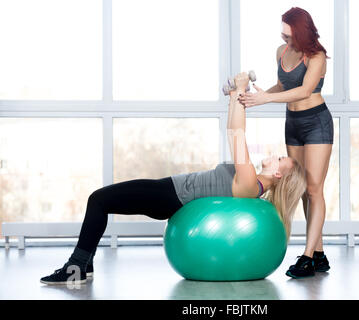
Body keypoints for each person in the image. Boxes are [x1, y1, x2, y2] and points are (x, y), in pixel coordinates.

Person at [40, 72, 307, 285]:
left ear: (277, 174)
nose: (275, 155)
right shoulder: (251, 185)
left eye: (280, 158)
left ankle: (75, 268)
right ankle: (84, 265)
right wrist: (235, 95)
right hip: (168, 192)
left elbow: (236, 133)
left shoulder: (250, 183)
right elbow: (232, 128)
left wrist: (239, 91)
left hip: (169, 196)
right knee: (100, 201)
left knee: (98, 200)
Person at [238, 7, 333, 278]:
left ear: (302, 34)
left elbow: (304, 90)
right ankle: (319, 254)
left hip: (317, 123)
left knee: (314, 189)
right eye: (283, 35)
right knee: (303, 188)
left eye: (290, 37)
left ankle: (306, 257)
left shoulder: (316, 56)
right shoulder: (281, 52)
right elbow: (283, 87)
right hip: (293, 123)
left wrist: (266, 100)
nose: (286, 41)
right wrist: (256, 98)